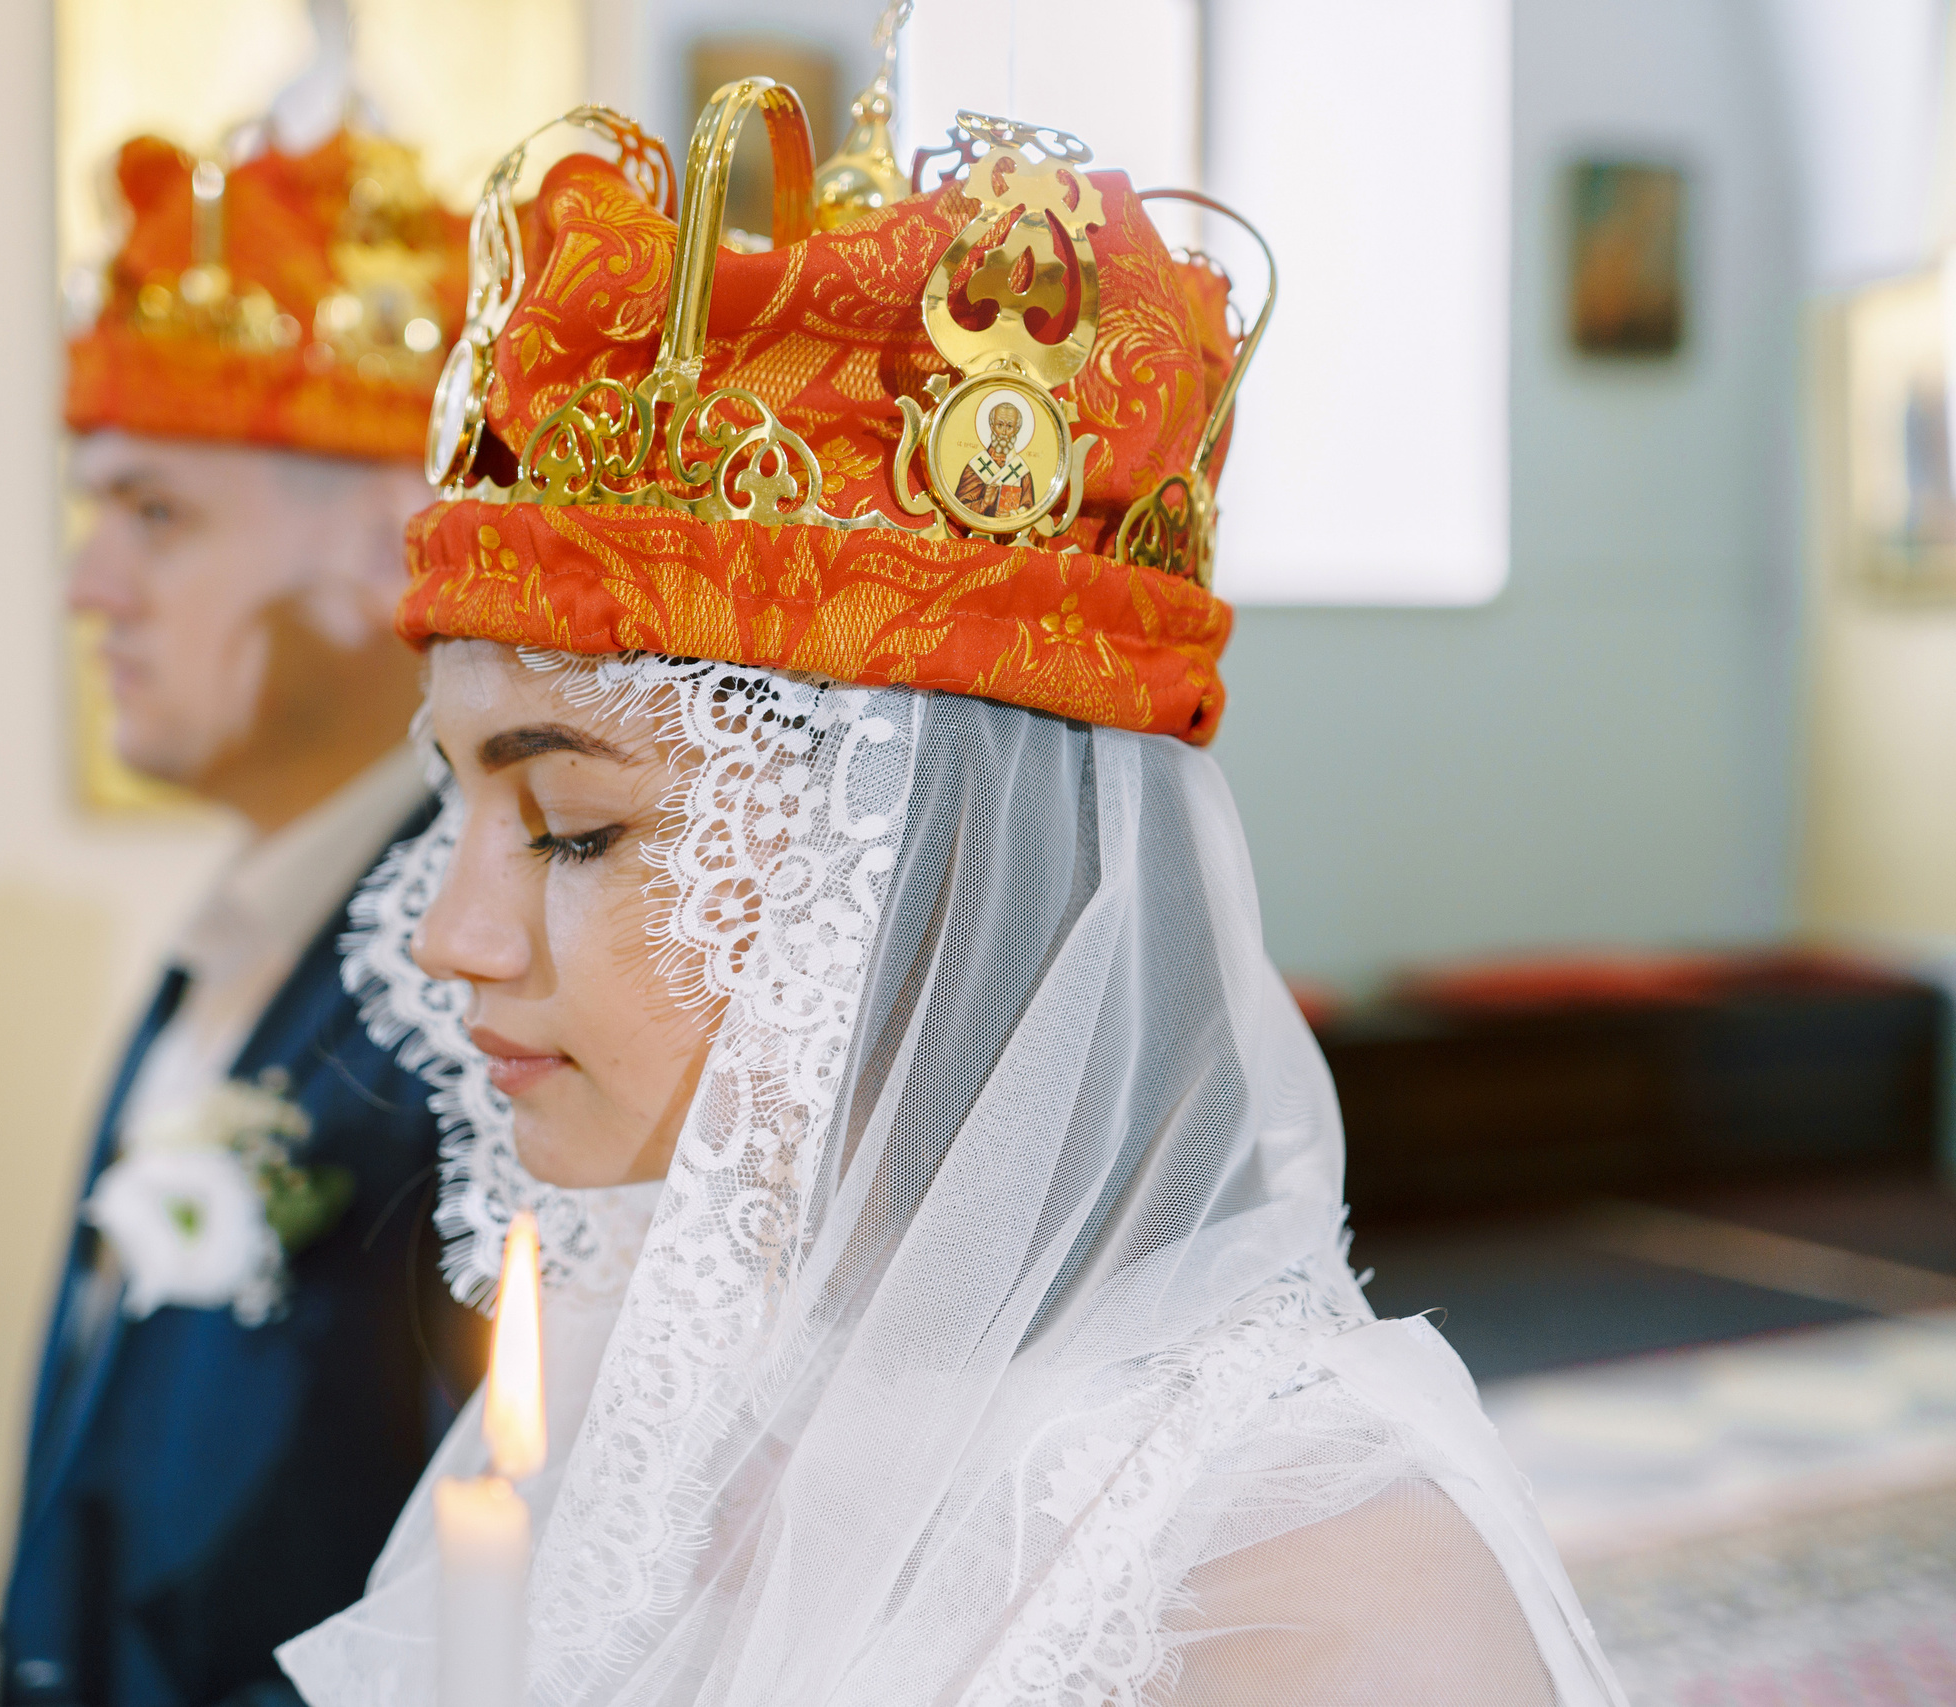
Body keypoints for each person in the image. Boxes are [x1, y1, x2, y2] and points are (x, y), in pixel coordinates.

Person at [276, 80, 1628, 1707]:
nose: (445, 938)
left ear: (911, 864)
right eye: (456, 807)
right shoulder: (660, 1396)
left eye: (572, 827)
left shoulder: (1309, 1582)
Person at [0, 98, 476, 1707]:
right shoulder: (252, 927)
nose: (85, 585)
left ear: (395, 550)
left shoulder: (472, 991)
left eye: (155, 515)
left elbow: (454, 1603)